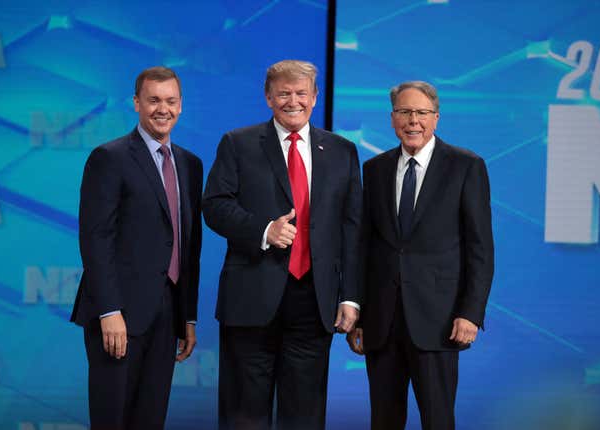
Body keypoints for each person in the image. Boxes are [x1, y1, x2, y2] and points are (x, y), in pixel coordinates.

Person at [203, 59, 362, 430]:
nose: (293, 101)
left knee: (304, 416)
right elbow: (214, 206)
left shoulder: (342, 151)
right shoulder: (238, 143)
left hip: (314, 301)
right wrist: (263, 231)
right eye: (284, 93)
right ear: (268, 98)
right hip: (251, 297)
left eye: (301, 93)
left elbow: (352, 228)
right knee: (244, 414)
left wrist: (350, 297)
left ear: (315, 96)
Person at [347, 81, 494, 430]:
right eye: (404, 112)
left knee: (438, 420)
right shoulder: (375, 169)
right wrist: (363, 315)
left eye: (421, 113)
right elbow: (367, 247)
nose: (413, 120)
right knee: (384, 420)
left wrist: (470, 313)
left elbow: (480, 248)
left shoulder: (465, 166)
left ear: (436, 118)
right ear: (392, 118)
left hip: (439, 322)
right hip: (383, 323)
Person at [71, 66, 203, 430]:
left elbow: (189, 245)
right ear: (136, 103)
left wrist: (187, 316)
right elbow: (96, 238)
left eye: (171, 101)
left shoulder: (191, 165)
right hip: (119, 314)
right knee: (113, 419)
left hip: (167, 313)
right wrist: (109, 310)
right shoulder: (109, 158)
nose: (163, 109)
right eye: (154, 100)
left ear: (181, 106)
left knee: (150, 419)